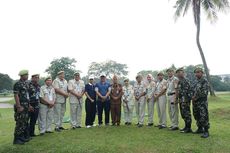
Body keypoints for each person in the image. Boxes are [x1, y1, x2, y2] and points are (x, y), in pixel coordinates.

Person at [13, 70, 30, 145]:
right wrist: (18, 106)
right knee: (19, 123)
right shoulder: (17, 84)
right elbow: (16, 95)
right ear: (22, 76)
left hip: (26, 105)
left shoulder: (26, 84)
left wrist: (29, 105)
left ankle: (21, 137)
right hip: (21, 106)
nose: (27, 76)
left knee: (24, 122)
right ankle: (16, 139)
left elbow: (27, 96)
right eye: (26, 75)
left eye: (27, 75)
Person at [192, 67, 210, 138]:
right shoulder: (195, 81)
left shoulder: (204, 81)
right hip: (195, 102)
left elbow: (204, 92)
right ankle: (199, 129)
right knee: (196, 115)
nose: (197, 74)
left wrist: (195, 97)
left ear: (202, 73)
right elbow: (192, 90)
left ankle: (206, 131)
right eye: (196, 72)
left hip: (202, 102)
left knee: (203, 116)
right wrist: (192, 97)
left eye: (198, 72)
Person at [176, 68, 193, 133]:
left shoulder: (186, 80)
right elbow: (179, 91)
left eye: (180, 72)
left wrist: (187, 100)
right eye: (177, 73)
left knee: (187, 114)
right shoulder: (180, 81)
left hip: (185, 100)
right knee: (183, 114)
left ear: (183, 73)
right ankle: (186, 127)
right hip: (181, 100)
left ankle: (188, 128)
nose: (179, 74)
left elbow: (189, 91)